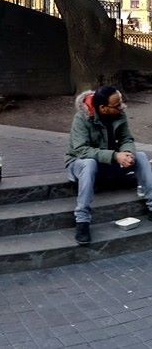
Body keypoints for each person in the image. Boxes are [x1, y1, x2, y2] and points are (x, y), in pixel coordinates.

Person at [65, 86, 152, 245]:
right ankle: (82, 221)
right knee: (89, 163)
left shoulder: (119, 114)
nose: (122, 107)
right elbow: (81, 150)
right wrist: (114, 156)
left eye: (121, 102)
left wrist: (127, 153)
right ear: (103, 108)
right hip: (80, 165)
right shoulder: (81, 118)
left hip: (109, 164)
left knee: (140, 156)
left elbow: (126, 139)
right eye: (117, 105)